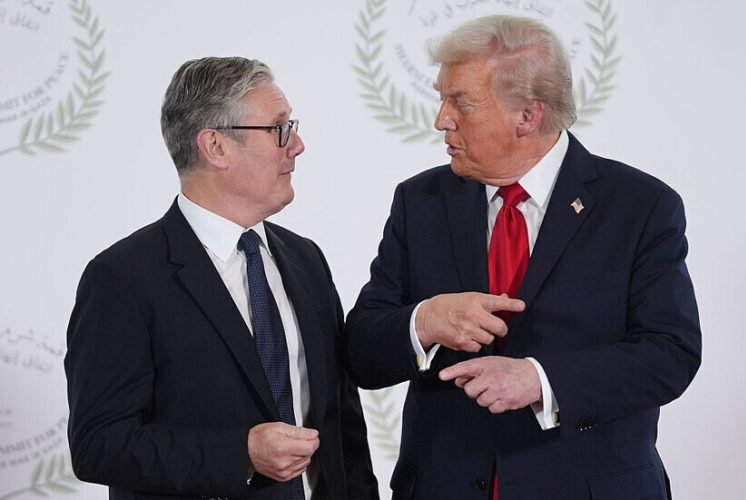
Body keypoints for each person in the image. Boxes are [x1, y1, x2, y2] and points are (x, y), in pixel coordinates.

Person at [345, 16, 701, 500]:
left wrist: (541, 380)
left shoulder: (640, 206)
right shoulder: (420, 201)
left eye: (461, 102)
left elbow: (670, 353)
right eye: (442, 98)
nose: (441, 119)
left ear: (528, 116)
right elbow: (361, 353)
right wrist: (423, 322)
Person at [65, 57, 378, 500]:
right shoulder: (122, 277)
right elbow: (99, 445)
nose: (298, 145)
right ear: (215, 146)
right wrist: (241, 454)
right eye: (279, 128)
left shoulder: (305, 259)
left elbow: (342, 424)